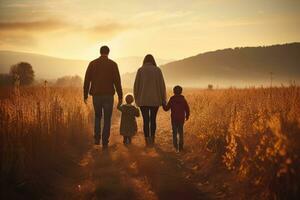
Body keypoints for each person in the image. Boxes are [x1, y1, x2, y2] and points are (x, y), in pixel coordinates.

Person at [83, 45, 123, 149]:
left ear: (100, 52)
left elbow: (87, 80)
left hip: (96, 95)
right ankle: (105, 141)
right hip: (109, 95)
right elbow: (117, 82)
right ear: (108, 52)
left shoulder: (92, 64)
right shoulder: (113, 64)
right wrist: (120, 96)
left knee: (97, 116)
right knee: (107, 118)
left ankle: (97, 138)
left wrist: (85, 95)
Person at [134, 54, 166, 147]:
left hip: (143, 100)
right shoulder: (157, 70)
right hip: (155, 100)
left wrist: (136, 99)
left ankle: (147, 140)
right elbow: (162, 86)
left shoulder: (140, 70)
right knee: (153, 120)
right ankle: (152, 138)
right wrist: (163, 100)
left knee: (145, 120)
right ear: (153, 60)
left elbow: (136, 86)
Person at [163, 85, 190, 152]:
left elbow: (166, 108)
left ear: (173, 91)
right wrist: (187, 116)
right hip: (181, 118)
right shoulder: (183, 99)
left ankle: (175, 147)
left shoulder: (172, 99)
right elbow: (187, 109)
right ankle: (181, 147)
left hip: (174, 119)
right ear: (181, 92)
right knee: (181, 132)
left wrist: (163, 104)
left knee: (174, 132)